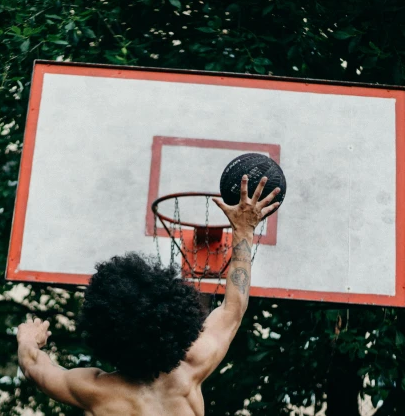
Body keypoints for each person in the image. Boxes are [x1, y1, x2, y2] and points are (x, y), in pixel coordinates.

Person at [16, 175, 281, 415]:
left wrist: (28, 339)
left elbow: (33, 366)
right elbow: (232, 308)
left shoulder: (94, 390)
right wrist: (244, 229)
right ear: (174, 321)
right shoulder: (190, 371)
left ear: (103, 332)